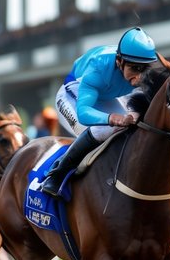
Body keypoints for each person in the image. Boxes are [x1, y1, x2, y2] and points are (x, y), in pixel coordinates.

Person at [41, 27, 157, 198]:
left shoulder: (139, 71)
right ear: (119, 61)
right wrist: (111, 118)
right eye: (134, 68)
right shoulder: (99, 67)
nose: (139, 77)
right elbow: (84, 113)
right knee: (103, 129)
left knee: (131, 128)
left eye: (144, 69)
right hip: (74, 94)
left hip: (107, 95)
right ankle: (57, 174)